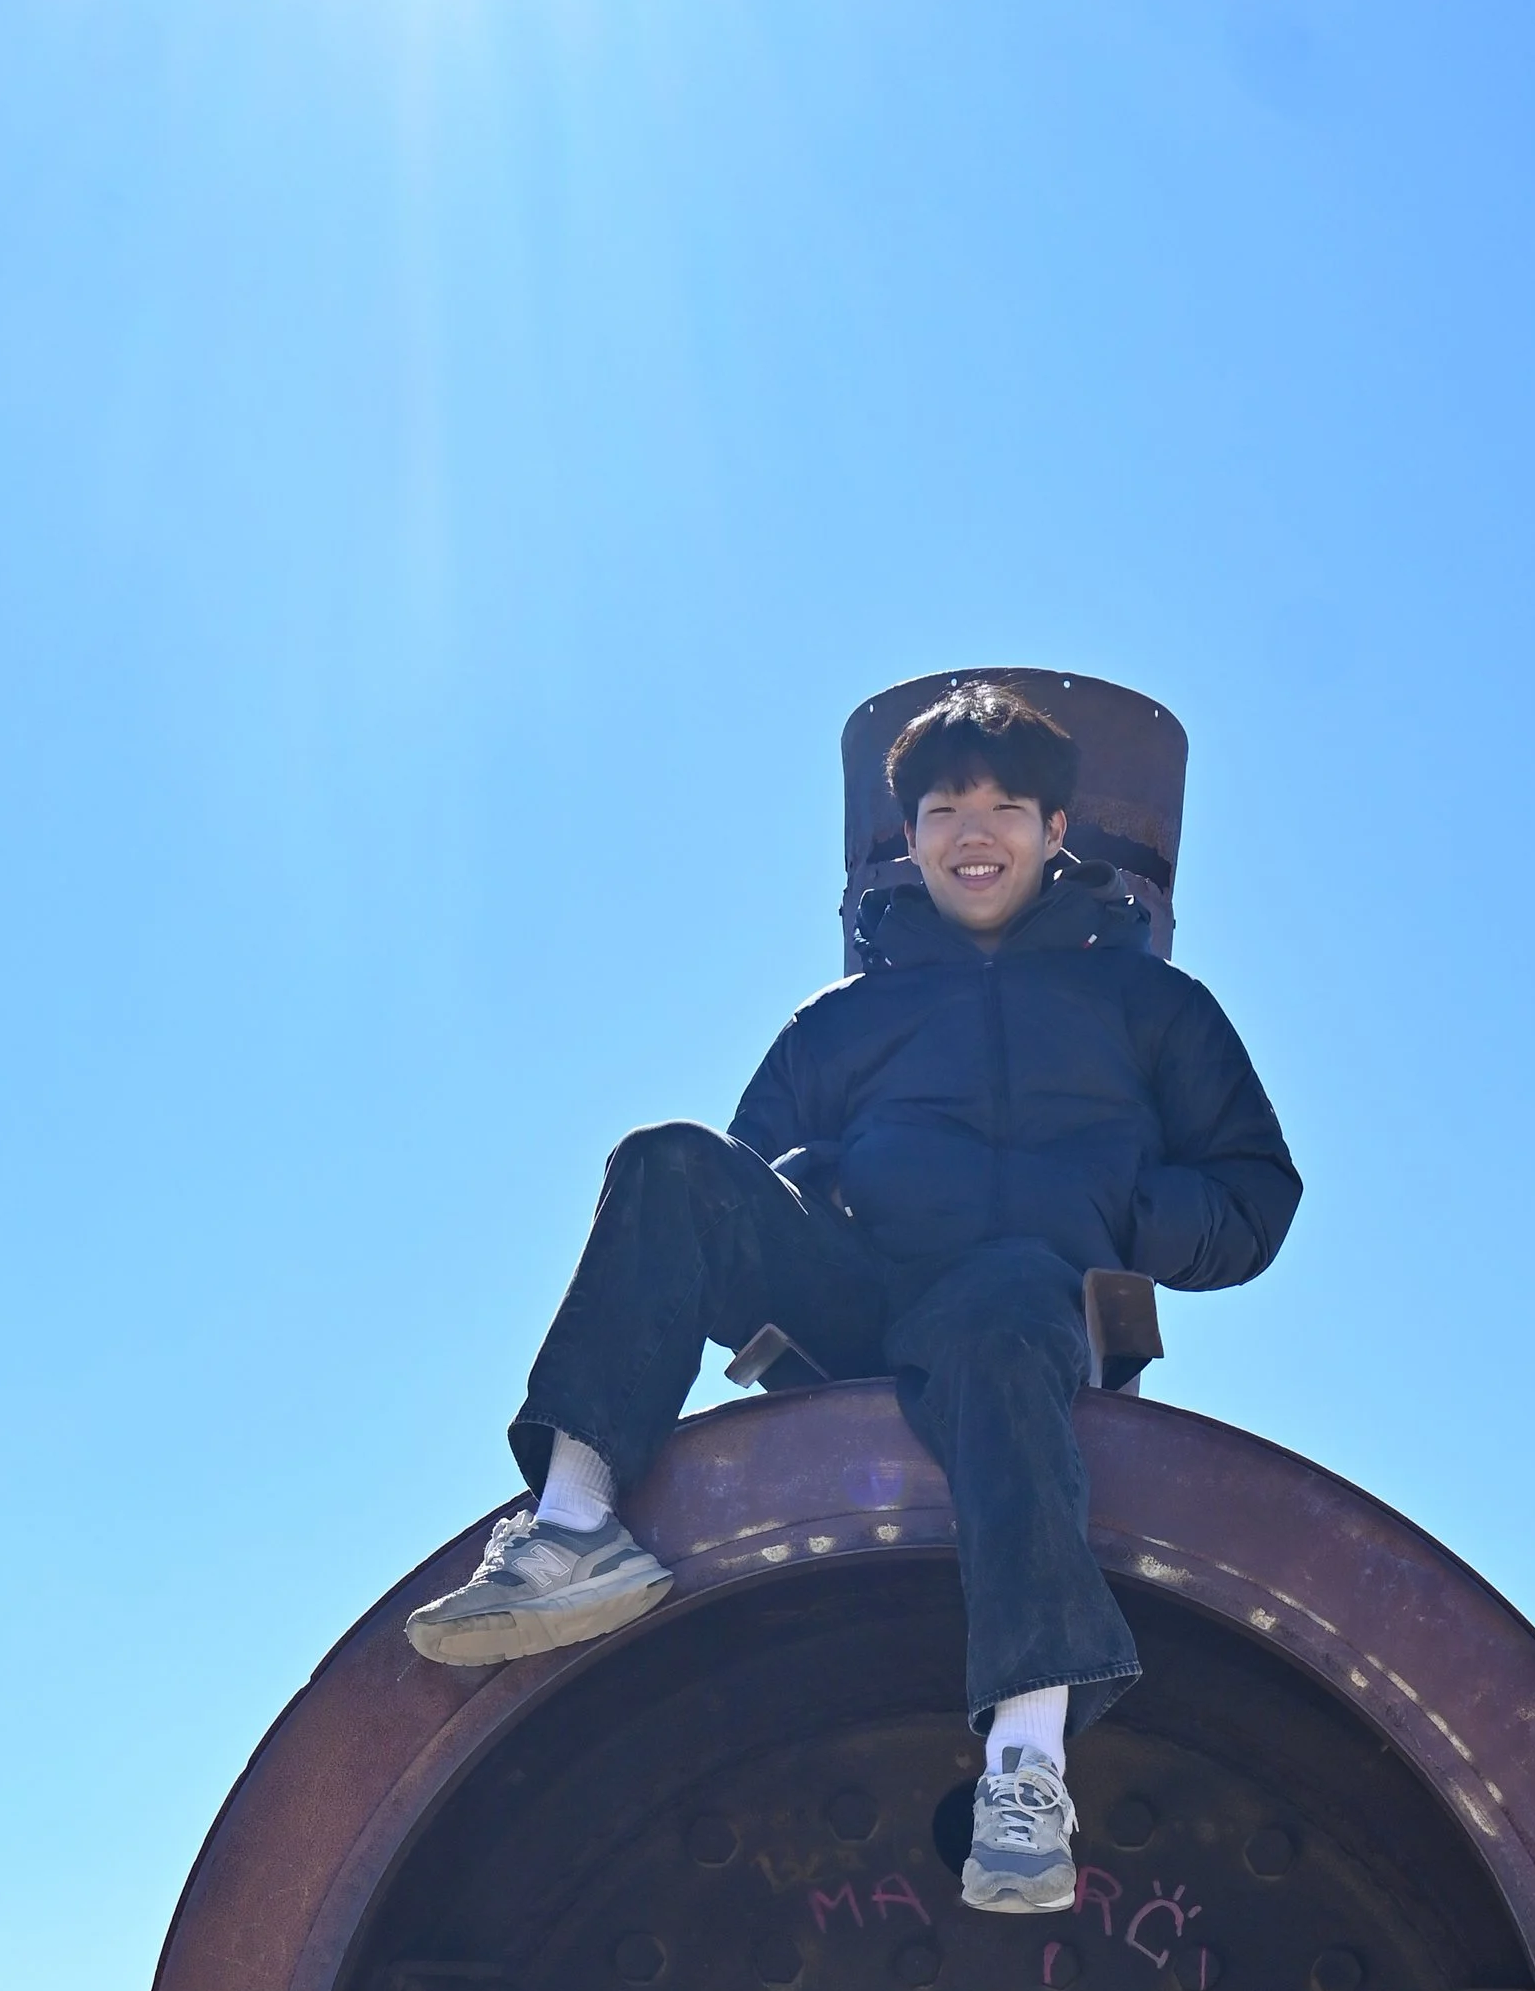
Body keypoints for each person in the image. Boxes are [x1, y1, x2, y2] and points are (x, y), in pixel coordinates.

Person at [402, 681, 1300, 1914]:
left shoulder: (1151, 1009)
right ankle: (573, 1525)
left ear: (1052, 830)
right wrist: (815, 1180)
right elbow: (745, 1177)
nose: (972, 832)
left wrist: (1116, 1208)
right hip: (859, 1290)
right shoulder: (837, 1022)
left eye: (1003, 807)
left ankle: (1027, 1762)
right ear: (910, 837)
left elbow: (1254, 1196)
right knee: (668, 1160)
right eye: (943, 810)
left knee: (1000, 1308)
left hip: (1022, 1299)